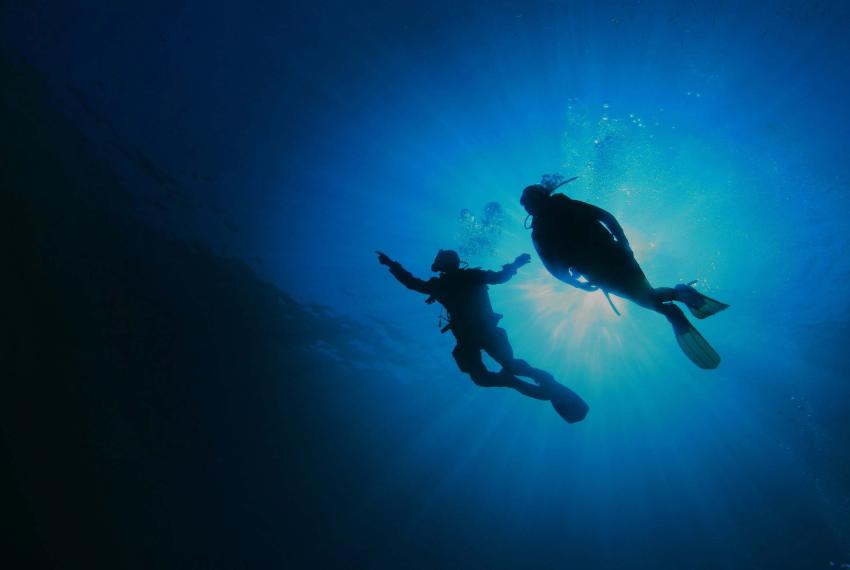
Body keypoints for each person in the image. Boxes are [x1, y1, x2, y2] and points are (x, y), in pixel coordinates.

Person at [520, 176, 729, 369]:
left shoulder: (541, 232)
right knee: (646, 295)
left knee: (644, 298)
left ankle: (674, 303)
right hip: (617, 256)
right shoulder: (567, 206)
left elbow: (554, 269)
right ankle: (675, 300)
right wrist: (623, 243)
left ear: (531, 208)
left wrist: (578, 284)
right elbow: (606, 217)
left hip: (600, 272)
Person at [376, 248, 588, 423]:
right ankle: (523, 383)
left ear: (444, 263)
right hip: (476, 335)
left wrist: (392, 265)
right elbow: (413, 283)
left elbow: (412, 283)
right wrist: (392, 265)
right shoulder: (445, 284)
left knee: (501, 370)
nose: (438, 263)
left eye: (440, 260)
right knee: (489, 374)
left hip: (481, 333)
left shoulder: (459, 279)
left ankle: (527, 382)